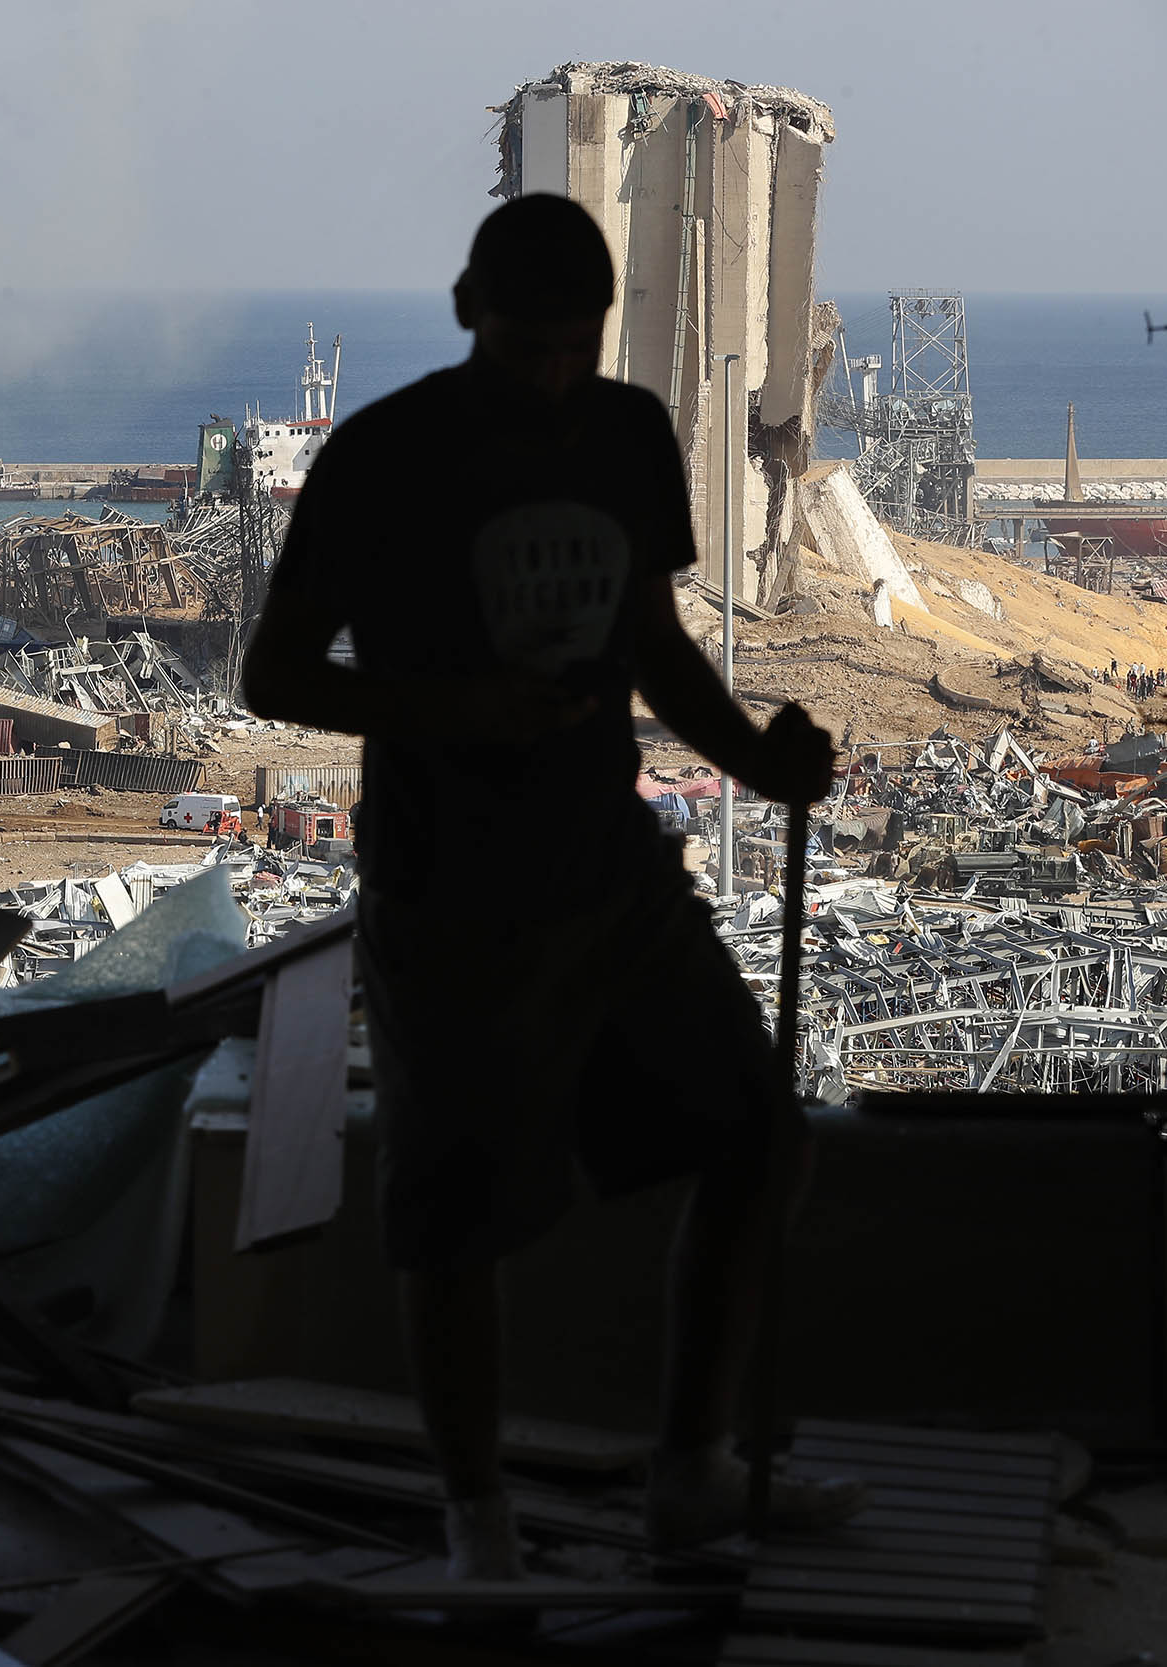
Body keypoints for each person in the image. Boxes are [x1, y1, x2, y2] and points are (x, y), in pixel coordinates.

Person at [240, 194, 865, 1581]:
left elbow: (653, 645)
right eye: (526, 350)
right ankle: (480, 1526)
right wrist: (448, 710)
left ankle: (692, 1471)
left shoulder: (629, 432)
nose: (550, 379)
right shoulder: (383, 457)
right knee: (457, 1217)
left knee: (763, 1136)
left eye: (572, 350)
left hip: (606, 866)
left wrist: (759, 762)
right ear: (470, 315)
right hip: (449, 894)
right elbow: (271, 675)